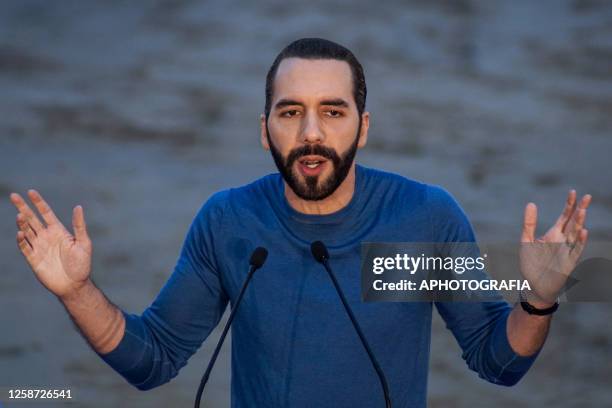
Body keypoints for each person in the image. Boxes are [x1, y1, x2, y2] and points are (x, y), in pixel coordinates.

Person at [10, 38, 591, 408]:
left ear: (362, 127)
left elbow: (498, 362)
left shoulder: (418, 221)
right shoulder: (232, 222)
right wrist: (78, 292)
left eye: (332, 112)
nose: (312, 132)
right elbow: (152, 360)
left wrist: (538, 300)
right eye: (292, 112)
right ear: (266, 129)